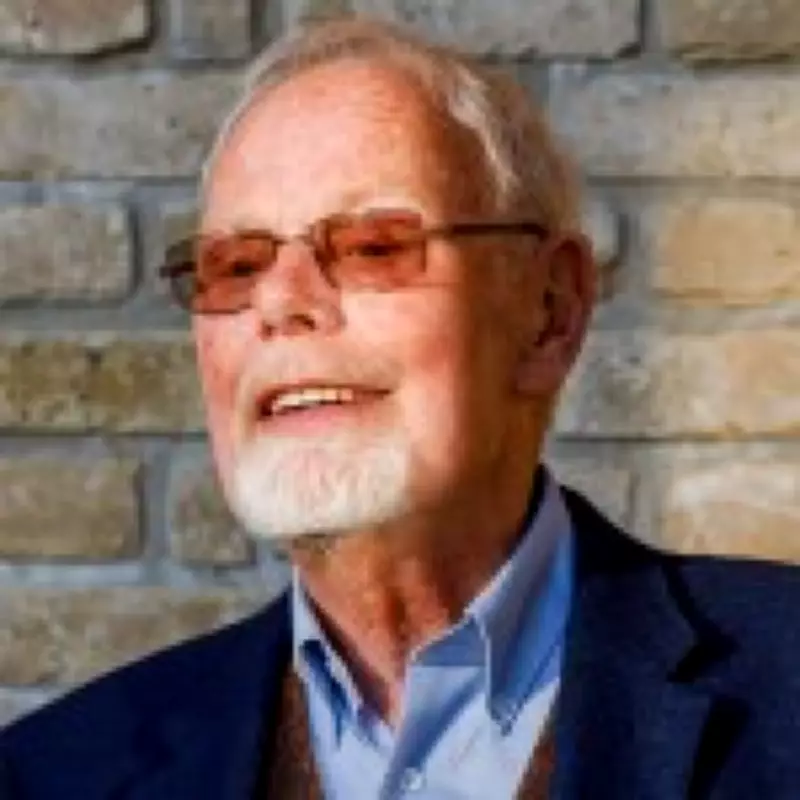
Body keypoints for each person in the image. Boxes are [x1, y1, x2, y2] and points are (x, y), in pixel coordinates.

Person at [2, 17, 799, 800]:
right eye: (237, 265)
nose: (280, 303)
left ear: (549, 312)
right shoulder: (54, 773)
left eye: (372, 248)